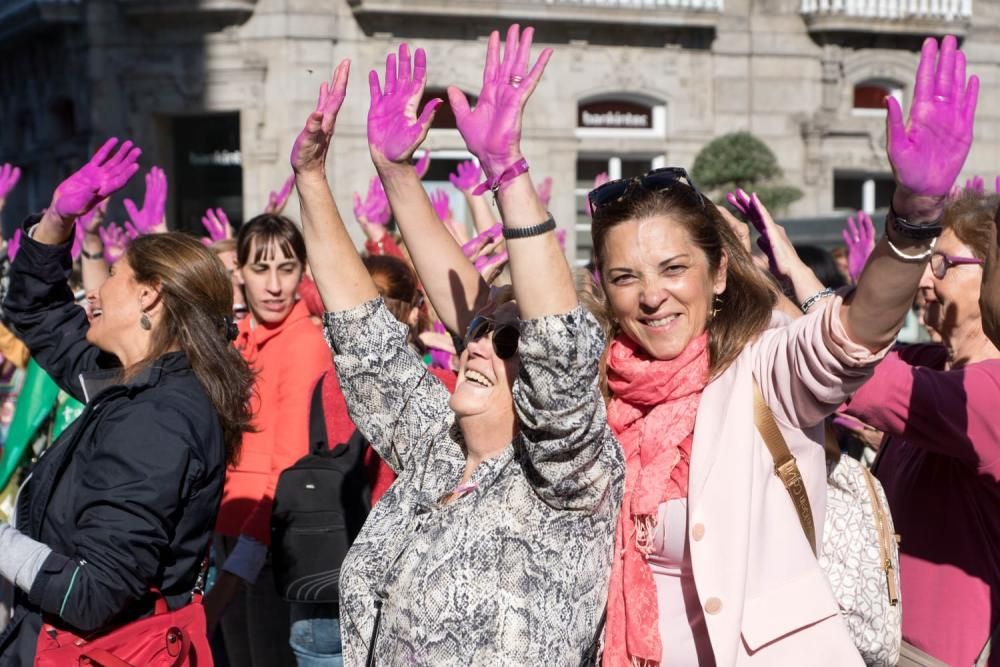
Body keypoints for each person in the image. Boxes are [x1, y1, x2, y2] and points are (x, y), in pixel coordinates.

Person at [582, 35, 975, 665]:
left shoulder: (763, 369)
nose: (651, 296)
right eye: (627, 277)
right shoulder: (598, 388)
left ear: (716, 275)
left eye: (673, 268)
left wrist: (912, 220)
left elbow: (850, 337)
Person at [291, 28, 624, 664]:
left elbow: (556, 344)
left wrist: (507, 173)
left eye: (508, 339)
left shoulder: (570, 482)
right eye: (475, 330)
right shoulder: (437, 453)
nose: (479, 343)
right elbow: (363, 333)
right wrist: (321, 175)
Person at [0, 138, 254, 664]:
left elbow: (92, 594)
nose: (93, 292)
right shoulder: (130, 378)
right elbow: (38, 315)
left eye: (113, 274)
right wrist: (56, 221)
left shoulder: (158, 418)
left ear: (149, 295)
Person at [842, 189, 1000, 666]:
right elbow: (833, 359)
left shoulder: (989, 393)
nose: (926, 282)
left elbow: (854, 373)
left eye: (944, 265)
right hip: (887, 645)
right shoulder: (937, 364)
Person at [206, 213, 334, 667]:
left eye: (287, 268)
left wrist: (250, 547)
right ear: (239, 272)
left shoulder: (303, 343)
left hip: (266, 540)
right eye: (261, 269)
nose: (275, 285)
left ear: (303, 271)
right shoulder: (242, 340)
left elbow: (290, 459)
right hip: (229, 528)